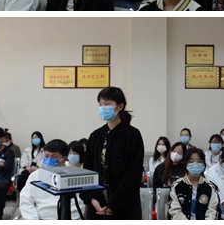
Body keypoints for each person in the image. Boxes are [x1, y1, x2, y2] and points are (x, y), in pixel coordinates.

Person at [82, 87, 145, 219]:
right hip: (97, 205)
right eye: (100, 104)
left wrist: (113, 205)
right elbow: (88, 169)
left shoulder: (132, 135)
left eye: (107, 104)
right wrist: (91, 198)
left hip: (124, 206)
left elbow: (133, 174)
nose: (102, 108)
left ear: (120, 106)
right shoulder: (95, 135)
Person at [19, 139, 82, 220]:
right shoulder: (35, 175)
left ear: (65, 159)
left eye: (54, 157)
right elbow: (26, 201)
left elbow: (79, 204)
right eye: (46, 156)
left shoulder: (73, 176)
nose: (49, 159)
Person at [168, 147, 220, 220]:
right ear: (185, 163)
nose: (195, 164)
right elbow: (175, 212)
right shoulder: (177, 186)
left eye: (199, 161)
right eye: (191, 161)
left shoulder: (211, 187)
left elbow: (213, 212)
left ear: (204, 164)